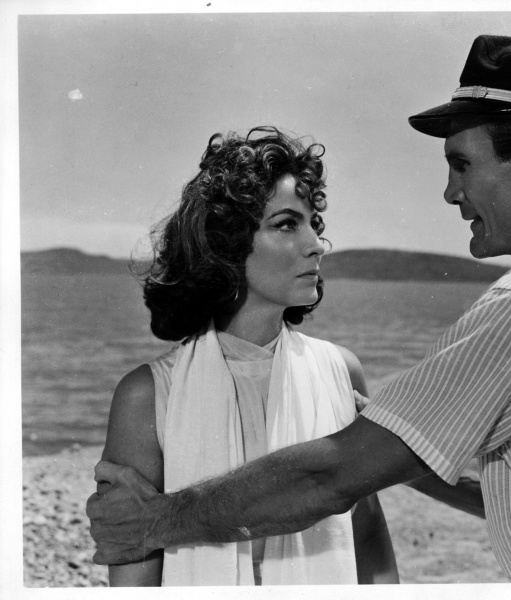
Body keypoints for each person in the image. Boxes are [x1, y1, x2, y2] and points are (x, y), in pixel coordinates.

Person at [88, 36, 511, 582]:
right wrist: (398, 443)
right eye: (286, 224)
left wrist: (155, 520)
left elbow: (332, 480)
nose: (450, 192)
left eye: (462, 164)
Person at [96, 126, 401, 586]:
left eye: (312, 224)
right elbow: (132, 570)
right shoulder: (147, 396)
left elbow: (366, 532)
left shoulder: (341, 371)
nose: (316, 244)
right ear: (227, 244)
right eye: (286, 224)